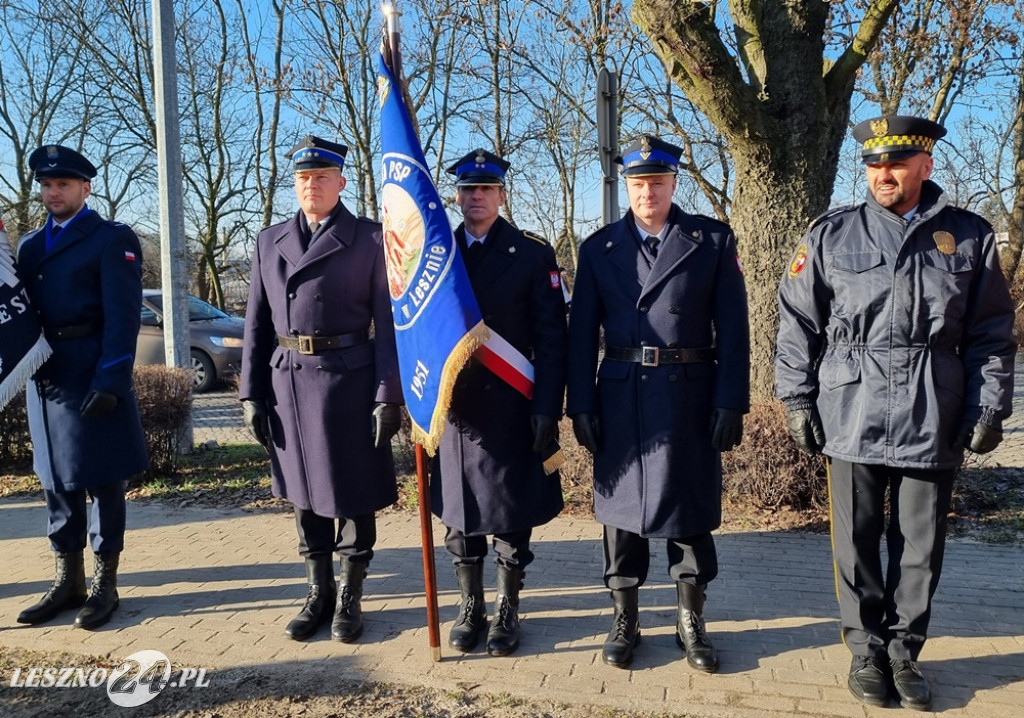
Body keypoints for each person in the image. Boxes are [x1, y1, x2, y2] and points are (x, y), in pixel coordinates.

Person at [775, 115, 1016, 710]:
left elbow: (991, 331)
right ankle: (865, 653)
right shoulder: (831, 235)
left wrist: (990, 404)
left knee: (920, 544)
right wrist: (796, 397)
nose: (885, 174)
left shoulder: (969, 238)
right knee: (854, 545)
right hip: (851, 409)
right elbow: (797, 324)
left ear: (925, 165)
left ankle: (905, 652)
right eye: (875, 164)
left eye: (898, 162)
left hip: (932, 409)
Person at [566, 135, 749, 672]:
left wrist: (731, 400)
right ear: (627, 185)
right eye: (638, 182)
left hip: (689, 395)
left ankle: (691, 621)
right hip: (621, 397)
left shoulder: (710, 241)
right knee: (621, 515)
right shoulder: (598, 248)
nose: (648, 191)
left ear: (674, 183)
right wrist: (580, 405)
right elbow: (581, 337)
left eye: (658, 181)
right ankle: (625, 617)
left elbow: (734, 327)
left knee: (688, 511)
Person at [240, 135, 403, 643]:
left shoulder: (373, 239)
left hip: (349, 383)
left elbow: (390, 327)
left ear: (341, 182)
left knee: (353, 493)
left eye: (321, 177)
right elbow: (255, 324)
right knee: (303, 496)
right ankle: (319, 592)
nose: (311, 185)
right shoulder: (269, 241)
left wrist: (387, 395)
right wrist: (250, 392)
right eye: (303, 178)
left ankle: (351, 596)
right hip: (287, 384)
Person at [431, 148, 568, 657]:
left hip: (512, 401)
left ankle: (508, 605)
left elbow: (553, 338)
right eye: (468, 190)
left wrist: (546, 409)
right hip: (456, 410)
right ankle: (471, 605)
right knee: (458, 510)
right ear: (458, 196)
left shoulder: (532, 253)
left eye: (486, 189)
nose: (476, 198)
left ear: (502, 195)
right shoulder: (438, 253)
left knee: (510, 511)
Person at [16, 145, 148, 630]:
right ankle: (66, 580)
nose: (53, 192)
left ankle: (103, 584)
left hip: (92, 370)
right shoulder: (29, 246)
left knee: (103, 481)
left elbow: (124, 315)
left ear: (85, 188)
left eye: (63, 185)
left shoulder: (111, 239)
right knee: (55, 483)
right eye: (47, 185)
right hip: (46, 376)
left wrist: (112, 377)